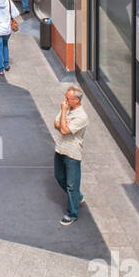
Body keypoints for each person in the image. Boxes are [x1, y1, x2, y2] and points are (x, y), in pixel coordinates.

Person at [53, 87, 89, 225]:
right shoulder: (67, 108)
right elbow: (56, 123)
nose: (65, 100)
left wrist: (63, 113)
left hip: (72, 153)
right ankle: (78, 197)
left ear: (77, 100)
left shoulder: (81, 117)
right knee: (59, 176)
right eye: (65, 97)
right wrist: (63, 123)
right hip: (60, 148)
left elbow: (63, 130)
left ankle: (72, 214)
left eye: (68, 98)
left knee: (72, 185)